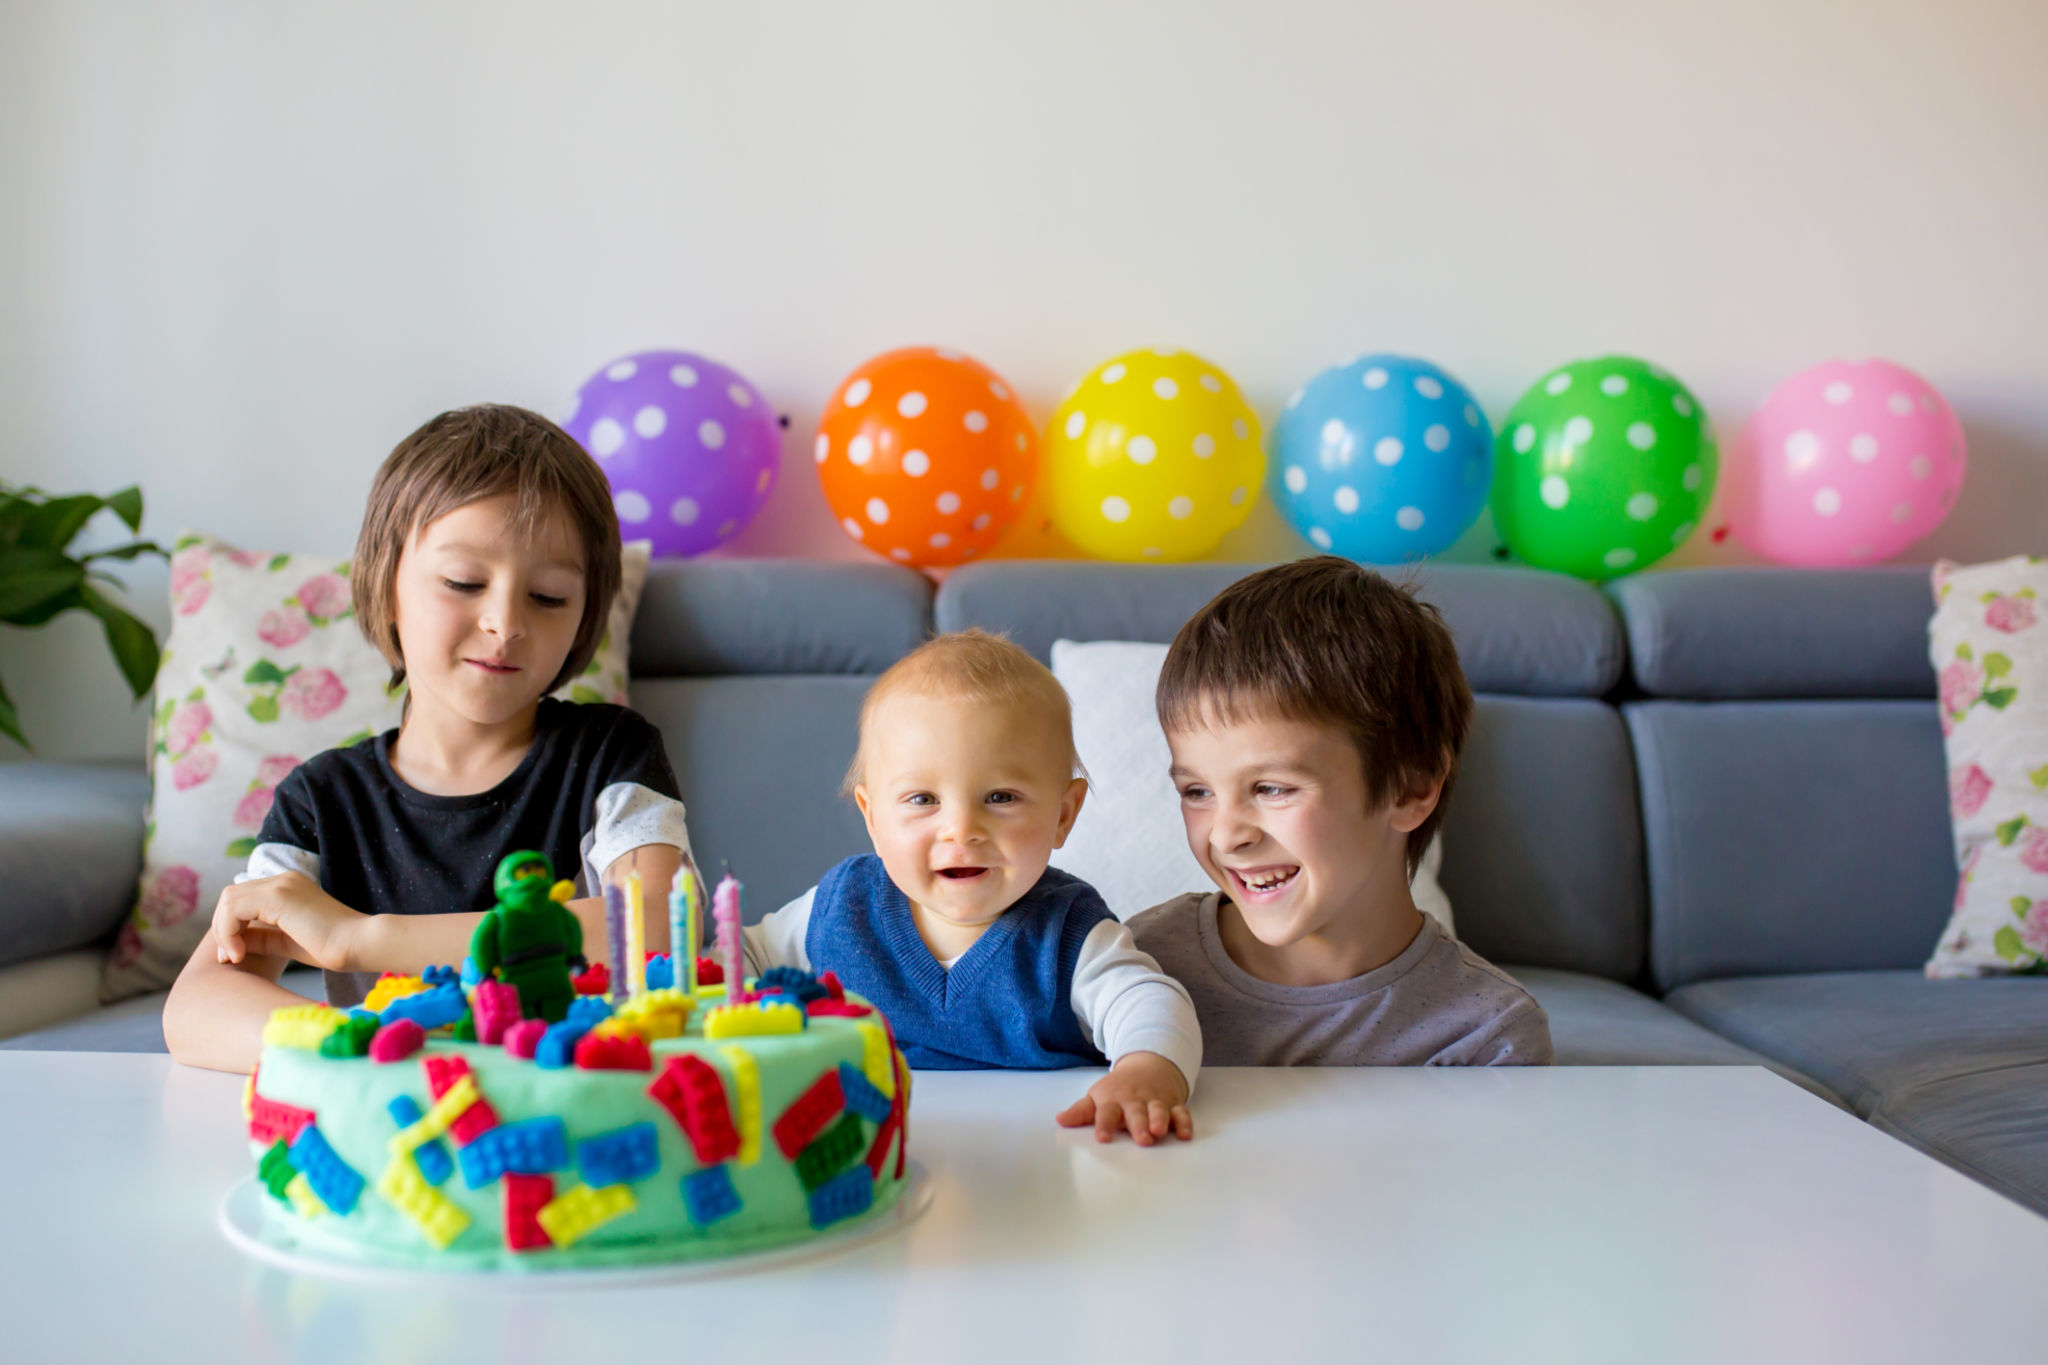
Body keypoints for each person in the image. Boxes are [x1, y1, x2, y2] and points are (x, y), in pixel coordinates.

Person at [163, 404, 692, 1073]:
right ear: (387, 589)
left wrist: (359, 938)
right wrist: (358, 1045)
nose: (505, 623)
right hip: (402, 1119)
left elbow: (654, 928)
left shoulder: (609, 756)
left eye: (550, 596)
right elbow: (196, 1006)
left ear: (586, 615)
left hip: (570, 1111)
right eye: (464, 583)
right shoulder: (323, 800)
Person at [744, 630, 1203, 1145]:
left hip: (1042, 1161)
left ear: (1064, 814)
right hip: (874, 1152)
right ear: (872, 817)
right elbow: (743, 955)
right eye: (922, 799)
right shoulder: (842, 909)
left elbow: (1148, 1002)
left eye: (1001, 796)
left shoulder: (1069, 934)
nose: (961, 829)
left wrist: (1145, 1072)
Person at [1127, 556, 1551, 1066]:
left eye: (1271, 788)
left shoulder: (1486, 1036)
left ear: (1411, 788)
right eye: (1197, 792)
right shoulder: (1130, 971)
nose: (1224, 836)